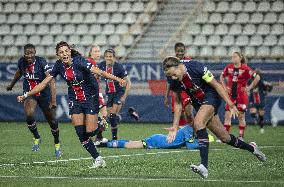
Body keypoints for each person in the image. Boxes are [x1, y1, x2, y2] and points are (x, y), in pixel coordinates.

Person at [17, 41, 126, 168]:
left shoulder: (79, 61)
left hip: (90, 96)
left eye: (66, 51)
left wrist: (118, 79)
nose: (64, 54)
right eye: (61, 52)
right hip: (75, 99)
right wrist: (25, 95)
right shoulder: (58, 65)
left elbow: (99, 72)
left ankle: (100, 123)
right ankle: (98, 158)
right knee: (81, 134)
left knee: (90, 132)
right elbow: (43, 84)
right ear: (58, 54)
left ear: (69, 51)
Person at [162, 56, 266, 178]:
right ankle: (253, 149)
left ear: (179, 66)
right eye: (170, 76)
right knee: (225, 138)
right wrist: (174, 126)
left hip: (211, 96)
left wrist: (230, 104)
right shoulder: (173, 79)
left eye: (174, 74)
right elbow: (178, 103)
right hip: (199, 102)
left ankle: (204, 166)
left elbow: (216, 85)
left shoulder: (196, 67)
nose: (173, 78)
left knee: (198, 122)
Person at [6, 44, 62, 157]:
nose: (29, 55)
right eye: (27, 53)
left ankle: (57, 143)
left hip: (44, 94)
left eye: (31, 53)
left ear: (35, 52)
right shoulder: (22, 62)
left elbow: (51, 80)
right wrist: (11, 85)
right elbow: (19, 72)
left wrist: (53, 100)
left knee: (52, 121)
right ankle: (37, 137)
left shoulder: (41, 62)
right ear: (24, 54)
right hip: (29, 93)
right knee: (29, 114)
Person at [220, 52, 260, 140]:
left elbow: (257, 77)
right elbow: (221, 76)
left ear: (240, 58)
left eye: (235, 57)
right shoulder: (229, 67)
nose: (233, 58)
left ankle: (241, 136)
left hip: (241, 96)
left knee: (241, 116)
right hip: (230, 96)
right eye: (232, 57)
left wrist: (249, 88)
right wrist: (225, 87)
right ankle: (225, 136)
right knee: (227, 115)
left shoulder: (245, 68)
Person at [98, 49, 131, 140]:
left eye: (110, 57)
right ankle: (129, 113)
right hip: (109, 93)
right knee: (110, 117)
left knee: (112, 115)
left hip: (119, 93)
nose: (109, 58)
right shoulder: (101, 65)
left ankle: (114, 139)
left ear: (114, 57)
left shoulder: (119, 67)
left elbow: (128, 83)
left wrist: (124, 96)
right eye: (107, 56)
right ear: (104, 57)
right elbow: (95, 76)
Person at [99, 125, 199, 150]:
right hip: (158, 141)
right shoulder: (189, 130)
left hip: (160, 139)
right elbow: (191, 146)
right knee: (131, 145)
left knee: (135, 142)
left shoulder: (188, 128)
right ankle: (106, 144)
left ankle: (109, 141)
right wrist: (203, 144)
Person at [164, 42, 193, 126]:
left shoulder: (189, 61)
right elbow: (168, 82)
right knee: (179, 115)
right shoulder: (170, 63)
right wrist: (166, 97)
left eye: (182, 51)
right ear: (175, 51)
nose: (180, 53)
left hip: (187, 91)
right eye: (178, 51)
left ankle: (194, 133)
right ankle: (183, 135)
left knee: (189, 114)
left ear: (185, 51)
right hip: (176, 91)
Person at [87, 45, 108, 144]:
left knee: (100, 115)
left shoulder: (94, 63)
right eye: (95, 51)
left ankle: (97, 137)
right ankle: (97, 137)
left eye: (99, 51)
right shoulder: (90, 62)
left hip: (95, 92)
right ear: (90, 53)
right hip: (92, 93)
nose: (97, 53)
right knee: (103, 114)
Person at [249, 69, 274, 133]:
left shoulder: (261, 82)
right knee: (253, 113)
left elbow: (269, 88)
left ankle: (262, 128)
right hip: (253, 99)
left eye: (257, 75)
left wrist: (269, 87)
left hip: (261, 100)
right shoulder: (250, 81)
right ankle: (256, 118)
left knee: (261, 115)